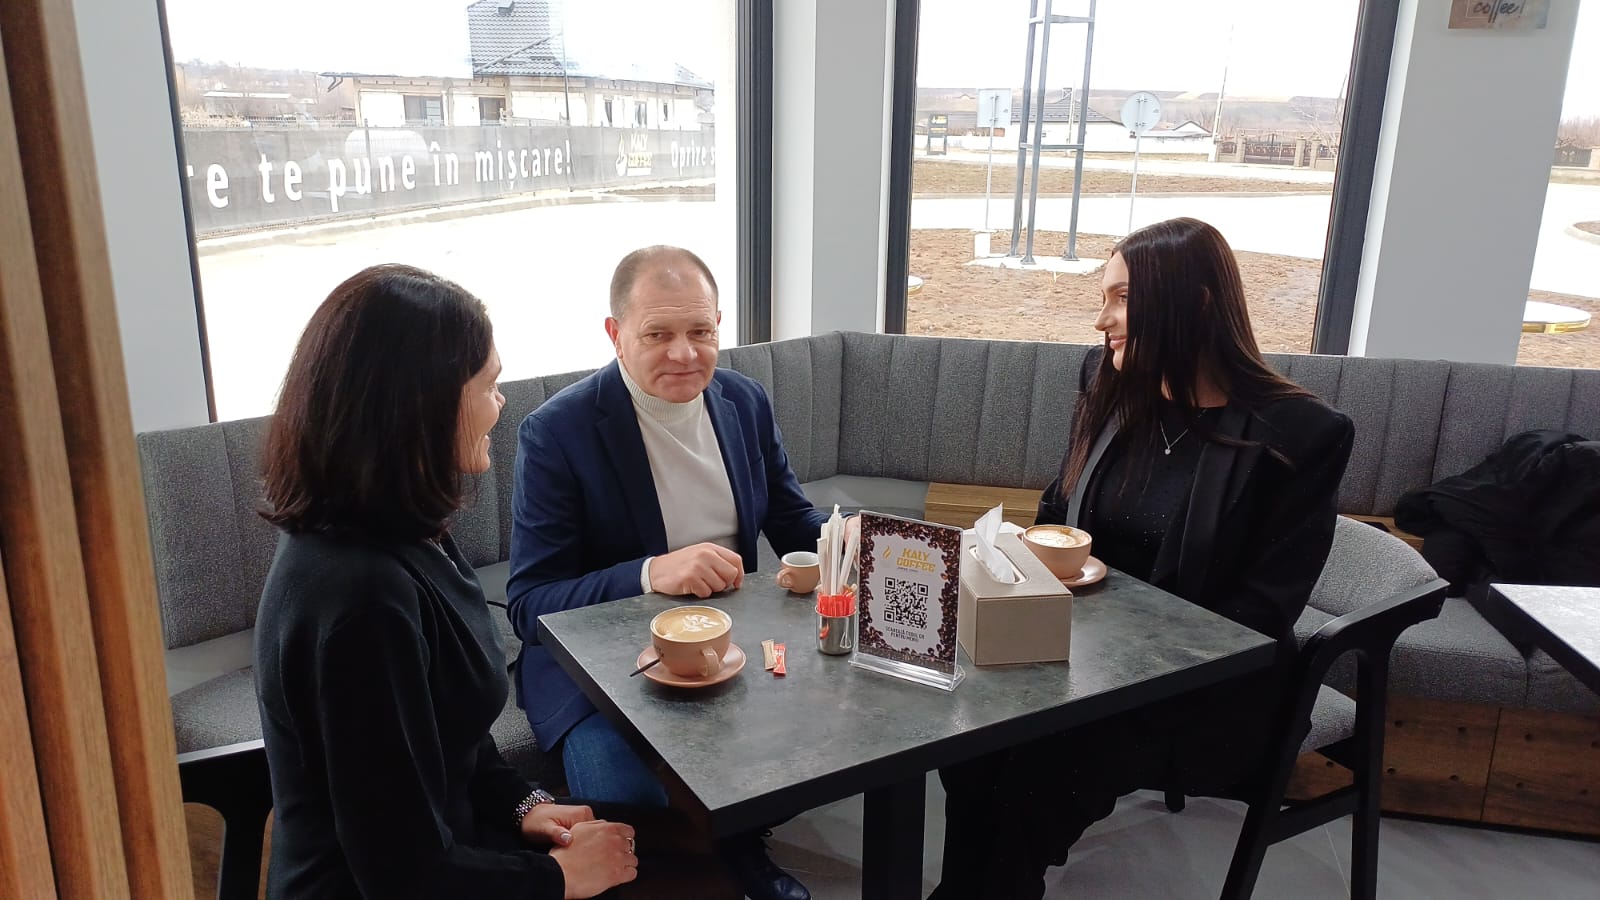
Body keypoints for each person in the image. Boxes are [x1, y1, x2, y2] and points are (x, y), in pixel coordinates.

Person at [931, 218, 1356, 899]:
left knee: (1042, 762)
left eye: (1123, 298)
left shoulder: (1302, 434)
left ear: (1198, 302)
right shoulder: (1110, 381)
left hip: (1209, 687)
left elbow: (1260, 611)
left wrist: (1109, 664)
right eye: (1105, 297)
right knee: (971, 727)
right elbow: (1058, 512)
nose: (1103, 320)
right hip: (1083, 658)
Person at [254, 264, 637, 899]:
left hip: (454, 854)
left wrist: (522, 804)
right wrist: (556, 877)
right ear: (421, 408)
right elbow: (401, 873)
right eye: (489, 384)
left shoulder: (402, 527)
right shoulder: (360, 598)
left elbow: (448, 730)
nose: (500, 403)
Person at [507, 245, 827, 900]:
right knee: (628, 801)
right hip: (599, 669)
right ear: (615, 333)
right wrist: (652, 572)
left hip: (726, 645)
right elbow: (530, 604)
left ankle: (737, 851)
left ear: (719, 326)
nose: (685, 353)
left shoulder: (743, 401)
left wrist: (884, 544)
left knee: (829, 744)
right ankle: (715, 860)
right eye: (658, 334)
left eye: (701, 331)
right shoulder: (558, 431)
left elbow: (796, 521)